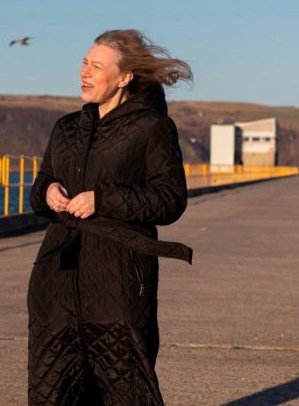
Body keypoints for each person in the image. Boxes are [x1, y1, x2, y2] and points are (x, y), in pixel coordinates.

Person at [27, 29, 193, 405]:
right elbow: (40, 187)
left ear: (124, 77)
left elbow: (170, 199)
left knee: (125, 389)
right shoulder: (65, 128)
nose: (85, 72)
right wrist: (48, 192)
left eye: (96, 66)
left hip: (119, 277)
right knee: (52, 391)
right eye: (84, 63)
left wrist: (104, 200)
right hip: (56, 277)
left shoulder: (152, 127)